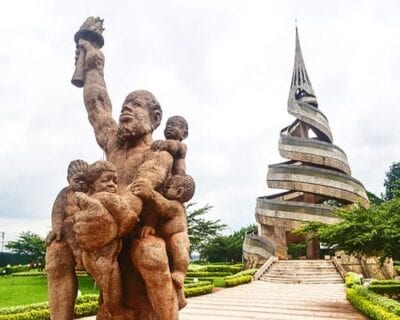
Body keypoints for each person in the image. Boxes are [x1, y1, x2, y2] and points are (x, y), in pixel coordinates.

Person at [72, 36, 179, 320]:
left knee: (152, 256)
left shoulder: (159, 154)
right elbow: (97, 105)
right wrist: (94, 61)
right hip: (105, 223)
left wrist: (108, 223)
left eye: (136, 105)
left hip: (140, 227)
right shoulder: (114, 143)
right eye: (124, 105)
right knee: (58, 253)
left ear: (155, 118)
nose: (126, 109)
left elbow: (139, 191)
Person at [74, 160, 140, 320]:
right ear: (92, 183)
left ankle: (109, 311)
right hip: (105, 256)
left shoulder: (90, 200)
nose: (112, 185)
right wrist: (116, 233)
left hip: (89, 254)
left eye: (114, 181)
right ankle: (117, 313)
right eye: (106, 180)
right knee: (112, 287)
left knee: (106, 287)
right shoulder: (108, 198)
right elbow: (130, 218)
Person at [131, 174, 195, 309]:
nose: (164, 190)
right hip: (164, 239)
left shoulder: (176, 206)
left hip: (177, 236)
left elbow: (163, 206)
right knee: (168, 272)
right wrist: (149, 226)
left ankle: (180, 272)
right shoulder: (163, 206)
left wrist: (151, 194)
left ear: (179, 192)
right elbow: (155, 214)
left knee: (178, 245)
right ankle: (180, 298)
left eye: (167, 188)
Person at [45, 159, 89, 320]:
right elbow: (57, 212)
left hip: (86, 233)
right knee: (57, 251)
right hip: (67, 233)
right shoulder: (64, 194)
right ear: (68, 180)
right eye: (78, 181)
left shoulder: (91, 193)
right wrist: (56, 228)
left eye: (86, 181)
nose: (82, 184)